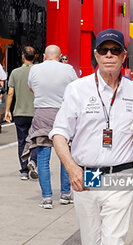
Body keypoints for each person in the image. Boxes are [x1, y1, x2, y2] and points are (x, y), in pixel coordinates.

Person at [49, 28, 133, 245]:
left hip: (121, 176)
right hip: (85, 176)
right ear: (95, 54)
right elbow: (59, 134)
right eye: (104, 50)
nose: (110, 56)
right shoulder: (77, 89)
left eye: (116, 50)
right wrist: (71, 167)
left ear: (124, 55)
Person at [22, 45, 78, 208]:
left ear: (45, 56)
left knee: (43, 157)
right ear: (60, 57)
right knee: (64, 156)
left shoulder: (35, 69)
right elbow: (76, 91)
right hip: (62, 114)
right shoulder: (68, 69)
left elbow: (31, 88)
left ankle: (46, 197)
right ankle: (65, 194)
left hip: (42, 115)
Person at [5, 46, 38, 181]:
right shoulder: (38, 72)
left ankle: (24, 170)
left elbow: (11, 93)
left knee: (22, 141)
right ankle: (33, 161)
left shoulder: (15, 72)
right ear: (35, 57)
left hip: (20, 112)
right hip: (36, 112)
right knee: (36, 140)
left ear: (23, 57)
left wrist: (7, 110)